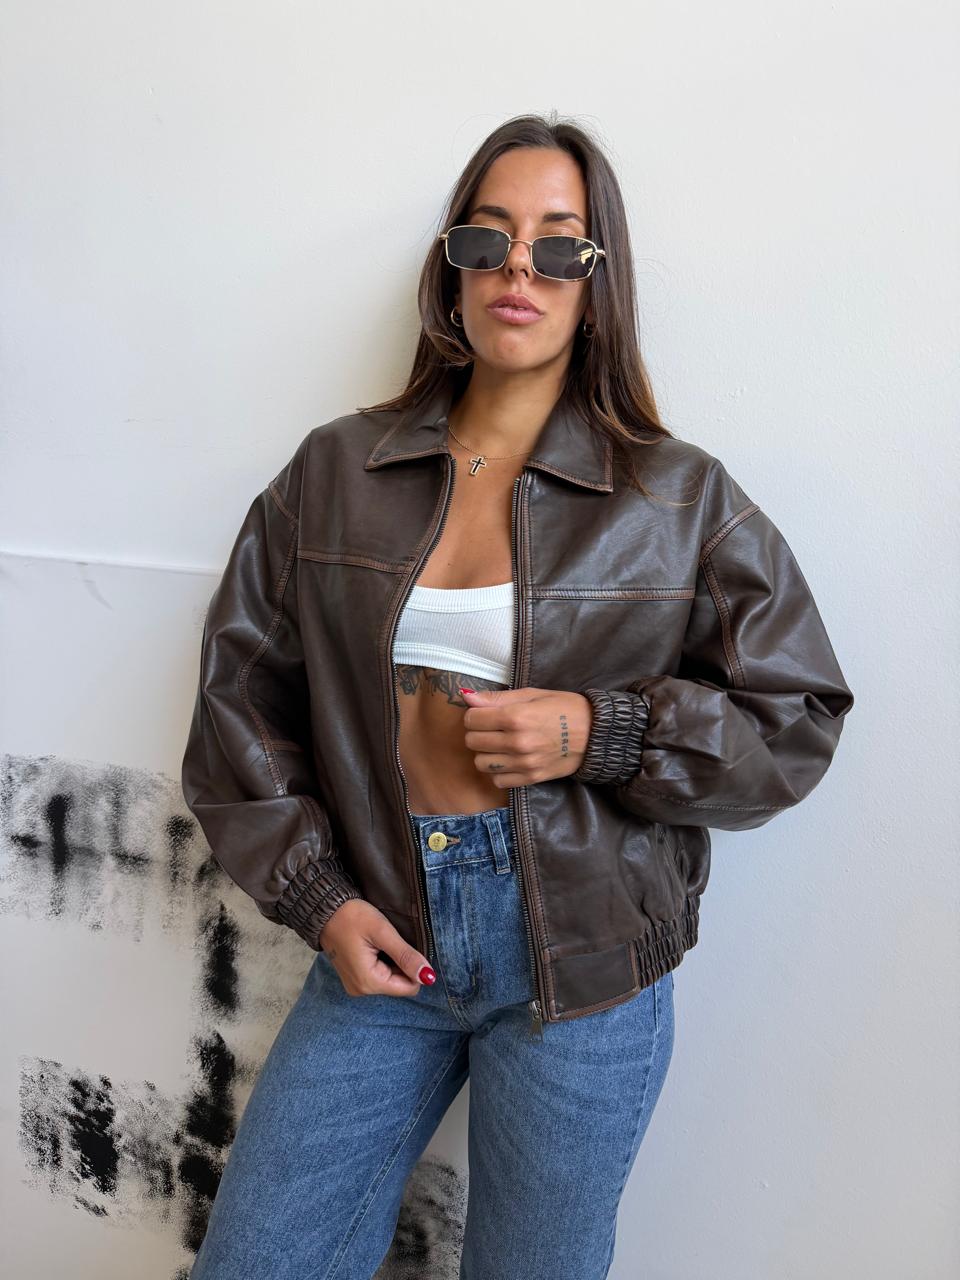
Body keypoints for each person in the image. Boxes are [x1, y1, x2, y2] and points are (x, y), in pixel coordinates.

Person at [181, 112, 854, 1280]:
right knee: (258, 1258)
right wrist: (319, 897)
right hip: (383, 933)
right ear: (452, 270)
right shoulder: (334, 472)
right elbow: (241, 703)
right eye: (486, 240)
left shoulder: (680, 495)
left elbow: (794, 717)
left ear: (599, 282)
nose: (517, 272)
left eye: (558, 245)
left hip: (584, 967)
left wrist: (607, 729)